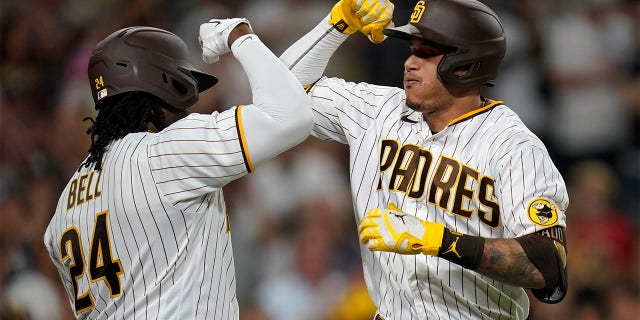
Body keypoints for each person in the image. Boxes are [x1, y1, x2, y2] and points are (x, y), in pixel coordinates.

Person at [279, 0, 569, 319]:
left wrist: (438, 240)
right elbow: (278, 93)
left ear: (466, 64)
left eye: (426, 53)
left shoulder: (512, 146)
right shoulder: (377, 111)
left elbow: (547, 264)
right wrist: (338, 24)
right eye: (412, 49)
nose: (409, 63)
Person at [43, 18, 313, 319]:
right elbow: (290, 115)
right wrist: (239, 35)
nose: (187, 110)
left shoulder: (64, 204)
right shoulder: (164, 154)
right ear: (167, 86)